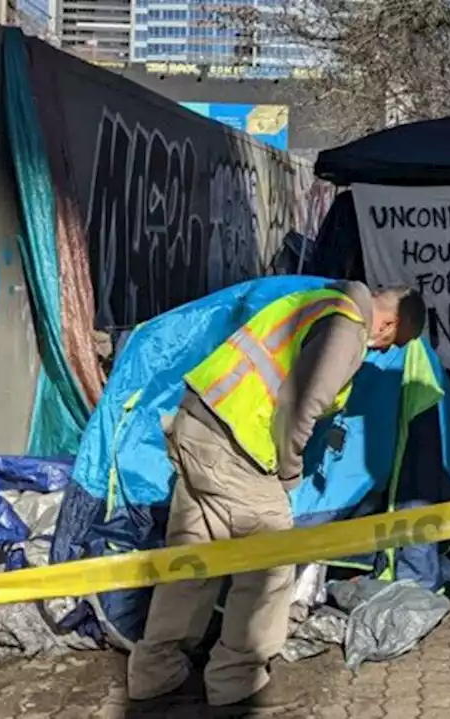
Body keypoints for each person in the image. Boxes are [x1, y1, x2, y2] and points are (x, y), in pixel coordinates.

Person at [127, 280, 427, 714]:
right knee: (270, 565)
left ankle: (155, 670)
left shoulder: (318, 300)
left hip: (197, 424)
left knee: (191, 558)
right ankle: (237, 680)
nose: (380, 352)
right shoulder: (347, 328)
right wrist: (289, 471)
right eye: (389, 344)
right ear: (389, 324)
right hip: (238, 449)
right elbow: (300, 404)